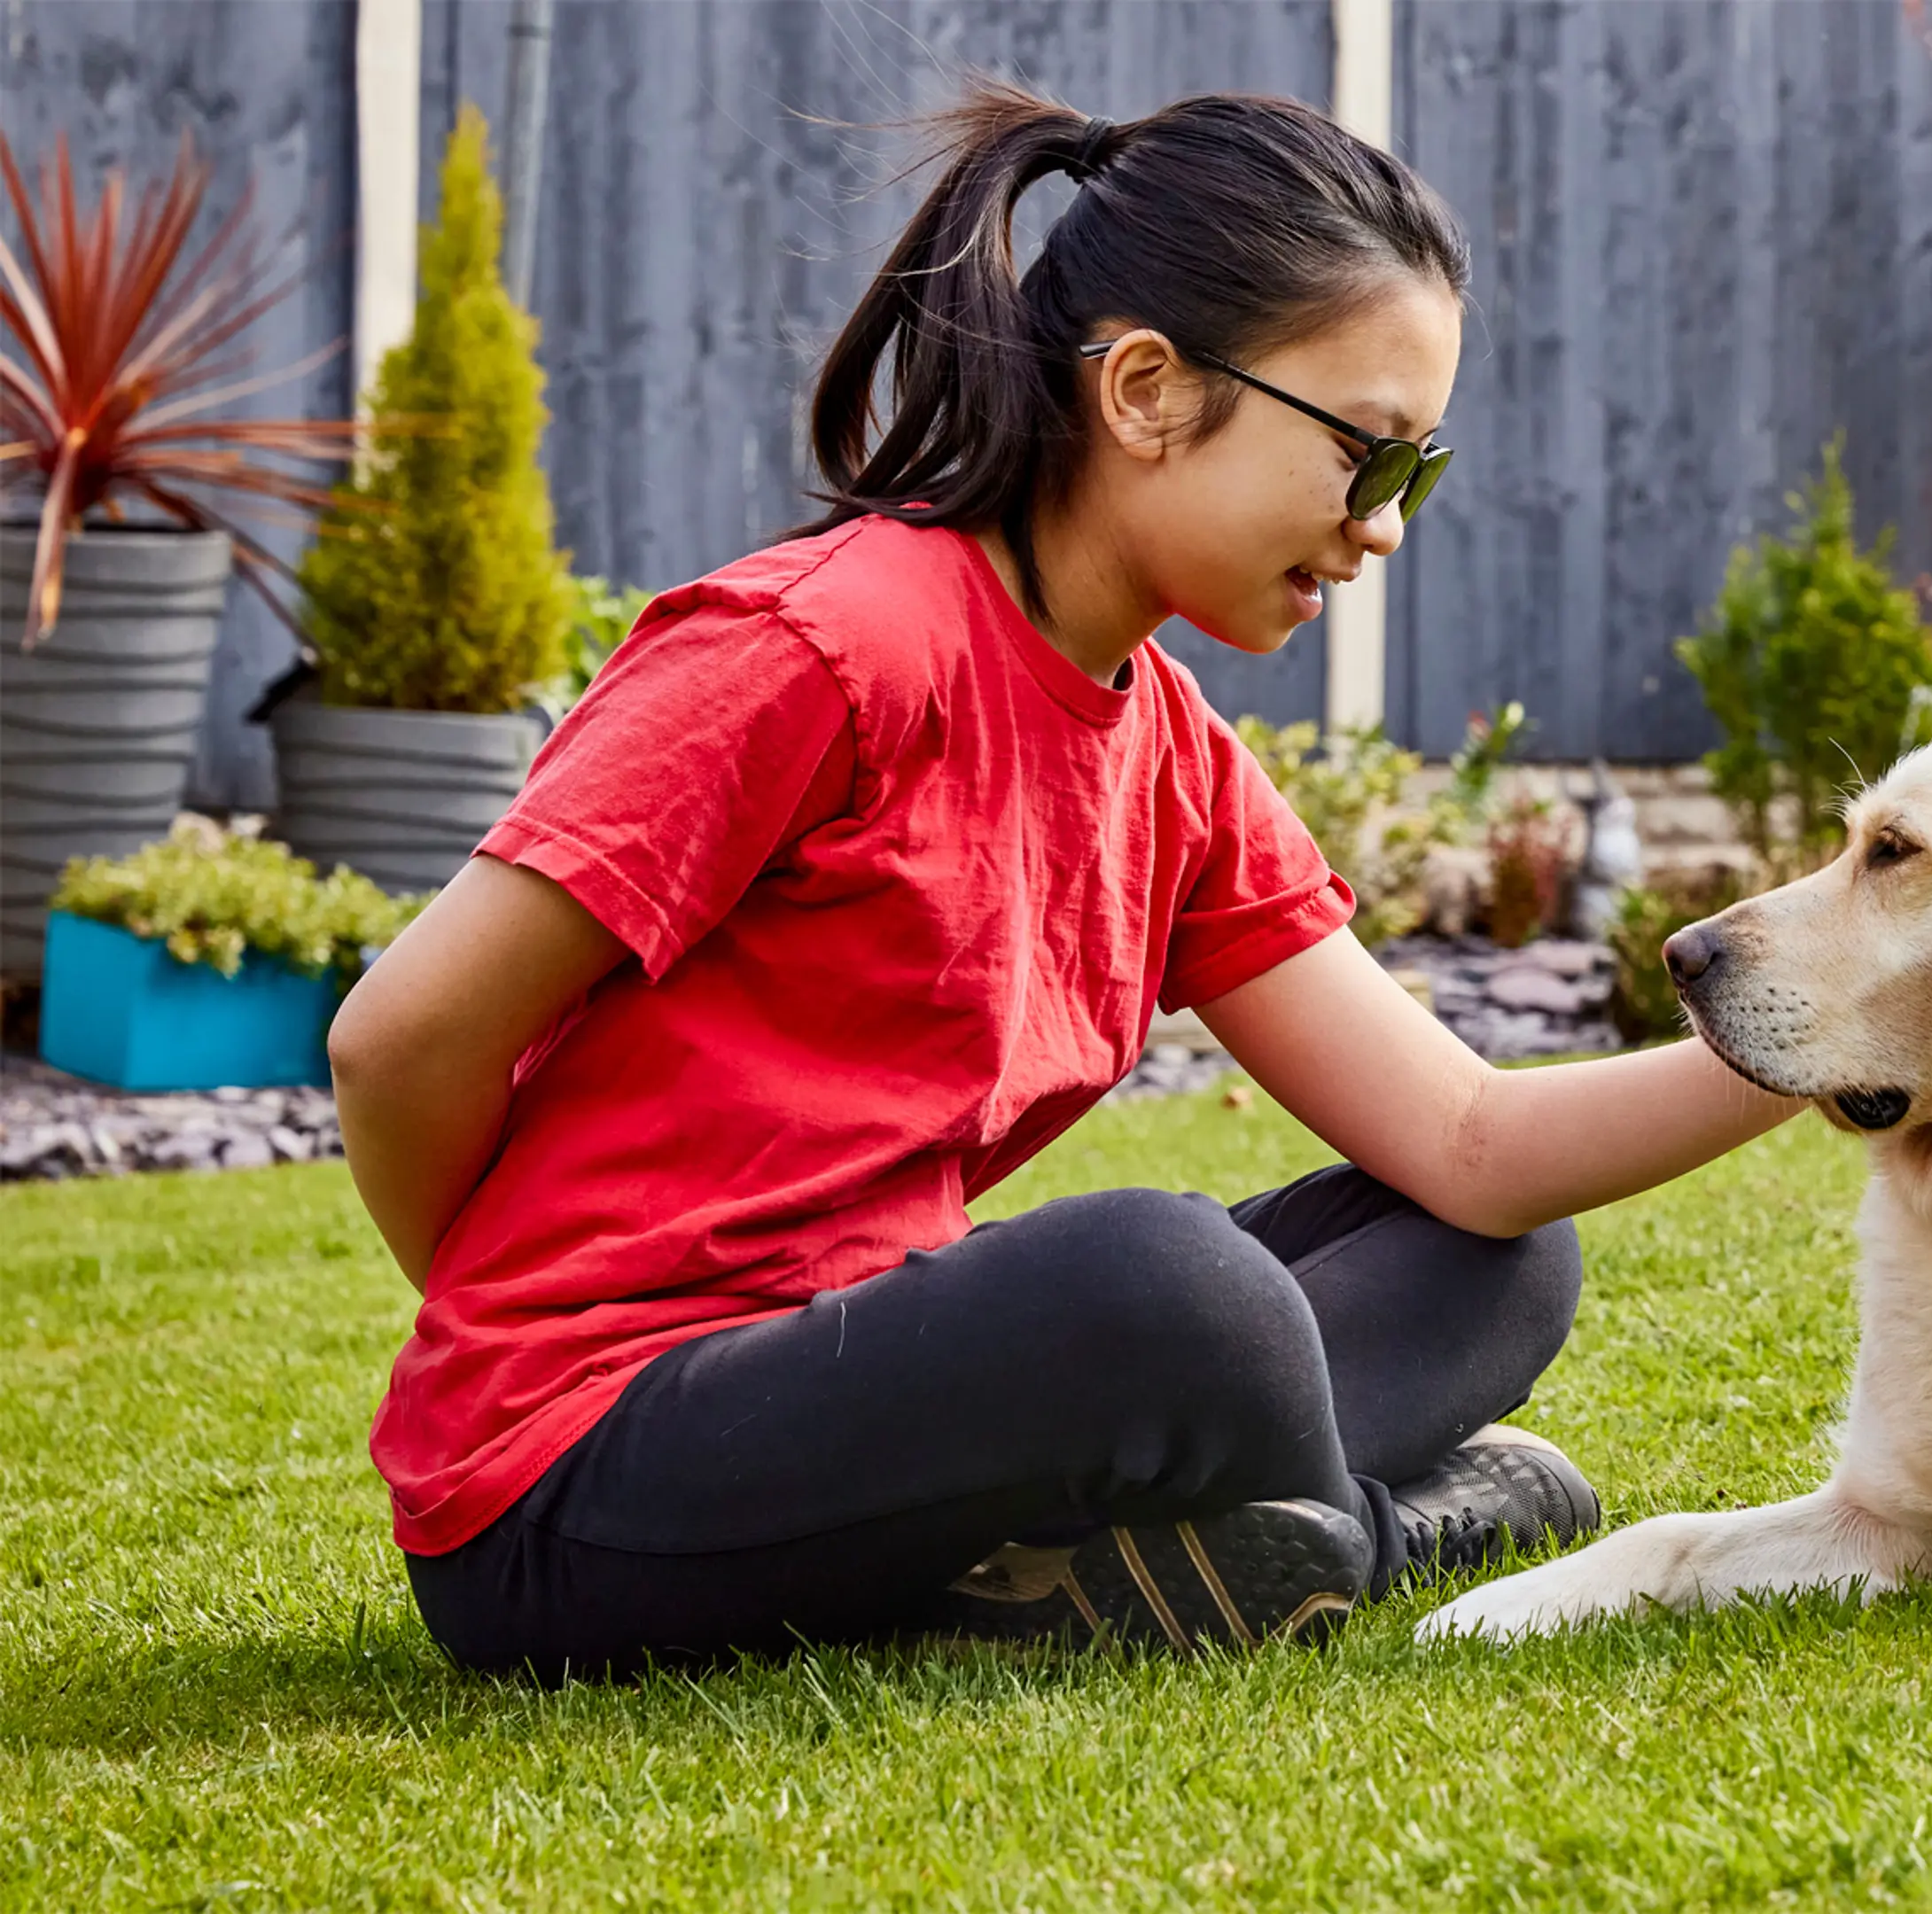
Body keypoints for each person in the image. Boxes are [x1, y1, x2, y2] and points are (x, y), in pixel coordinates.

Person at [330, 85, 1801, 1682]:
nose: (1382, 530)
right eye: (1363, 458)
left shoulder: (1169, 755)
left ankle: (1108, 1556)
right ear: (1151, 391)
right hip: (578, 1485)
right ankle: (1367, 1532)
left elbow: (1471, 1143)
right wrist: (523, 1333)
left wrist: (1843, 1038)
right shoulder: (820, 647)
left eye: (1414, 475)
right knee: (1165, 1286)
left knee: (1495, 1248)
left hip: (886, 1394)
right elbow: (399, 1041)